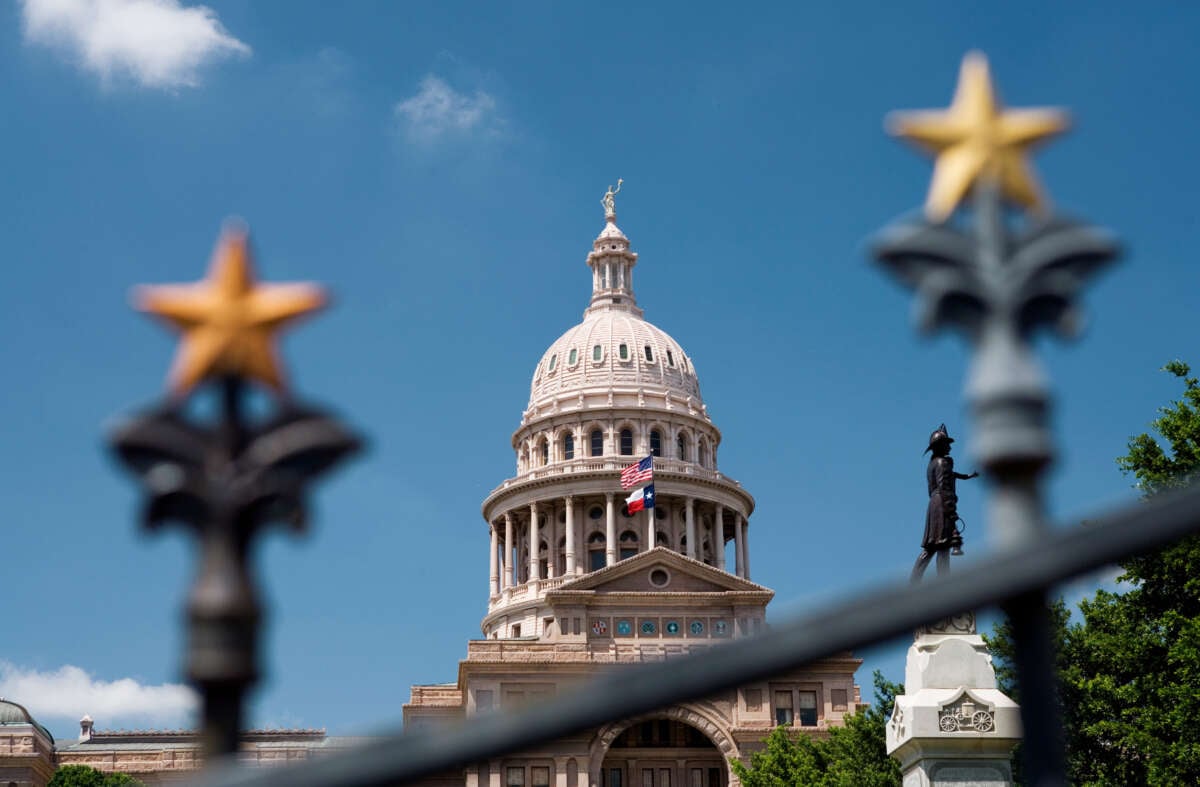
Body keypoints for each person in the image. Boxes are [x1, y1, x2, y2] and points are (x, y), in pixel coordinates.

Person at [912, 424, 978, 581]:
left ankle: (914, 581)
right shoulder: (943, 463)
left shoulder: (932, 464)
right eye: (946, 443)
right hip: (942, 502)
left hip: (934, 504)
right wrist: (951, 508)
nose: (949, 446)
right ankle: (945, 582)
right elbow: (944, 487)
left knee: (931, 548)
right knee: (943, 546)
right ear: (940, 446)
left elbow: (934, 488)